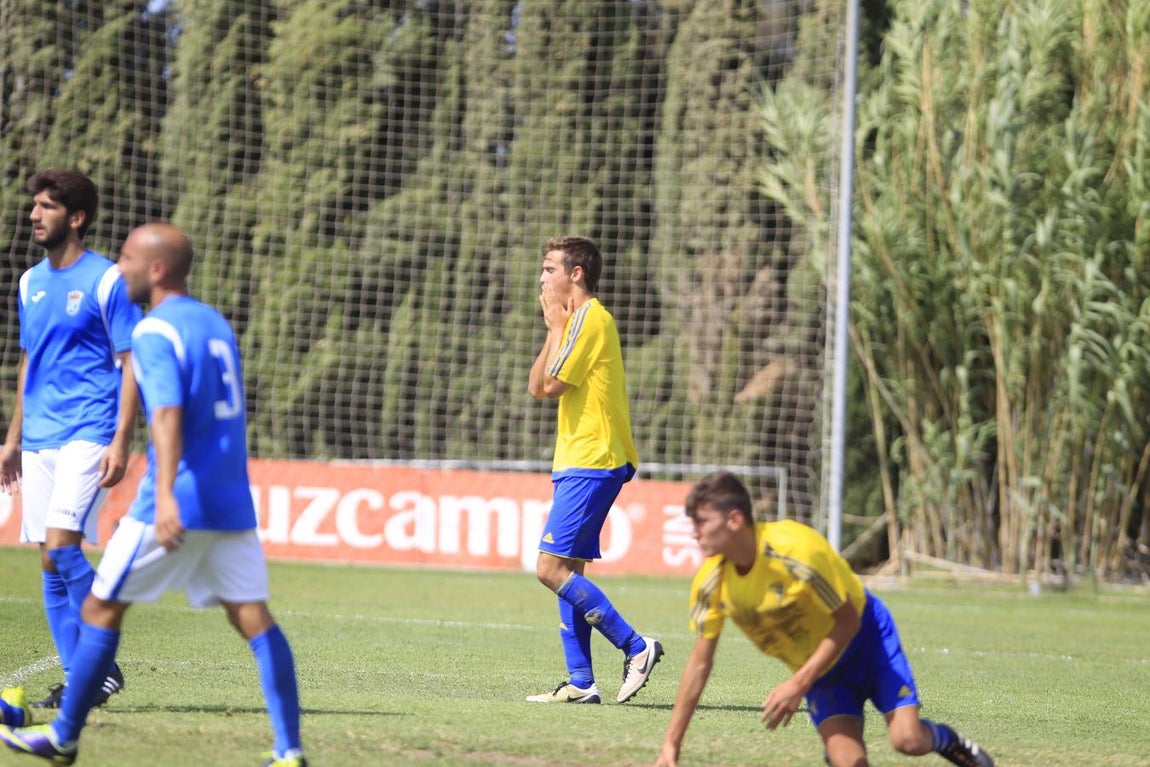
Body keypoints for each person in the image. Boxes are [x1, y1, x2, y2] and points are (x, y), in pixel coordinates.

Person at [0, 223, 306, 767]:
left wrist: (164, 497)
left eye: (127, 259)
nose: (119, 269)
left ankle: (64, 737)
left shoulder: (153, 330)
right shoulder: (213, 323)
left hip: (178, 497)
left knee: (101, 607)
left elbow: (165, 415)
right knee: (254, 619)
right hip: (229, 499)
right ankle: (289, 751)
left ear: (157, 269)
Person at [654, 471, 994, 767]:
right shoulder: (710, 583)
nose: (694, 532)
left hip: (867, 640)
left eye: (701, 522)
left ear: (734, 520)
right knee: (850, 762)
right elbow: (699, 664)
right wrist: (671, 744)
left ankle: (948, 740)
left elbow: (848, 621)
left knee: (908, 740)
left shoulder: (796, 549)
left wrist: (797, 684)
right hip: (822, 671)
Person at [0, 170, 140, 710]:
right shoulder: (28, 282)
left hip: (90, 430)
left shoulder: (108, 280)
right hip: (39, 437)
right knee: (49, 563)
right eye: (34, 205)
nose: (34, 215)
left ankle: (102, 664)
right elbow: (29, 362)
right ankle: (80, 678)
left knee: (63, 547)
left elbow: (131, 363)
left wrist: (122, 438)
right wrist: (13, 439)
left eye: (47, 206)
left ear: (76, 217)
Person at [525, 235, 663, 705]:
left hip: (594, 457)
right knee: (568, 571)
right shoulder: (571, 323)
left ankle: (636, 646)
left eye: (549, 268)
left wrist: (557, 327)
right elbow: (537, 387)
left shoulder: (591, 318)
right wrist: (553, 330)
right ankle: (582, 681)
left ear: (576, 273)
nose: (542, 278)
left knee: (549, 568)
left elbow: (552, 385)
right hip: (577, 459)